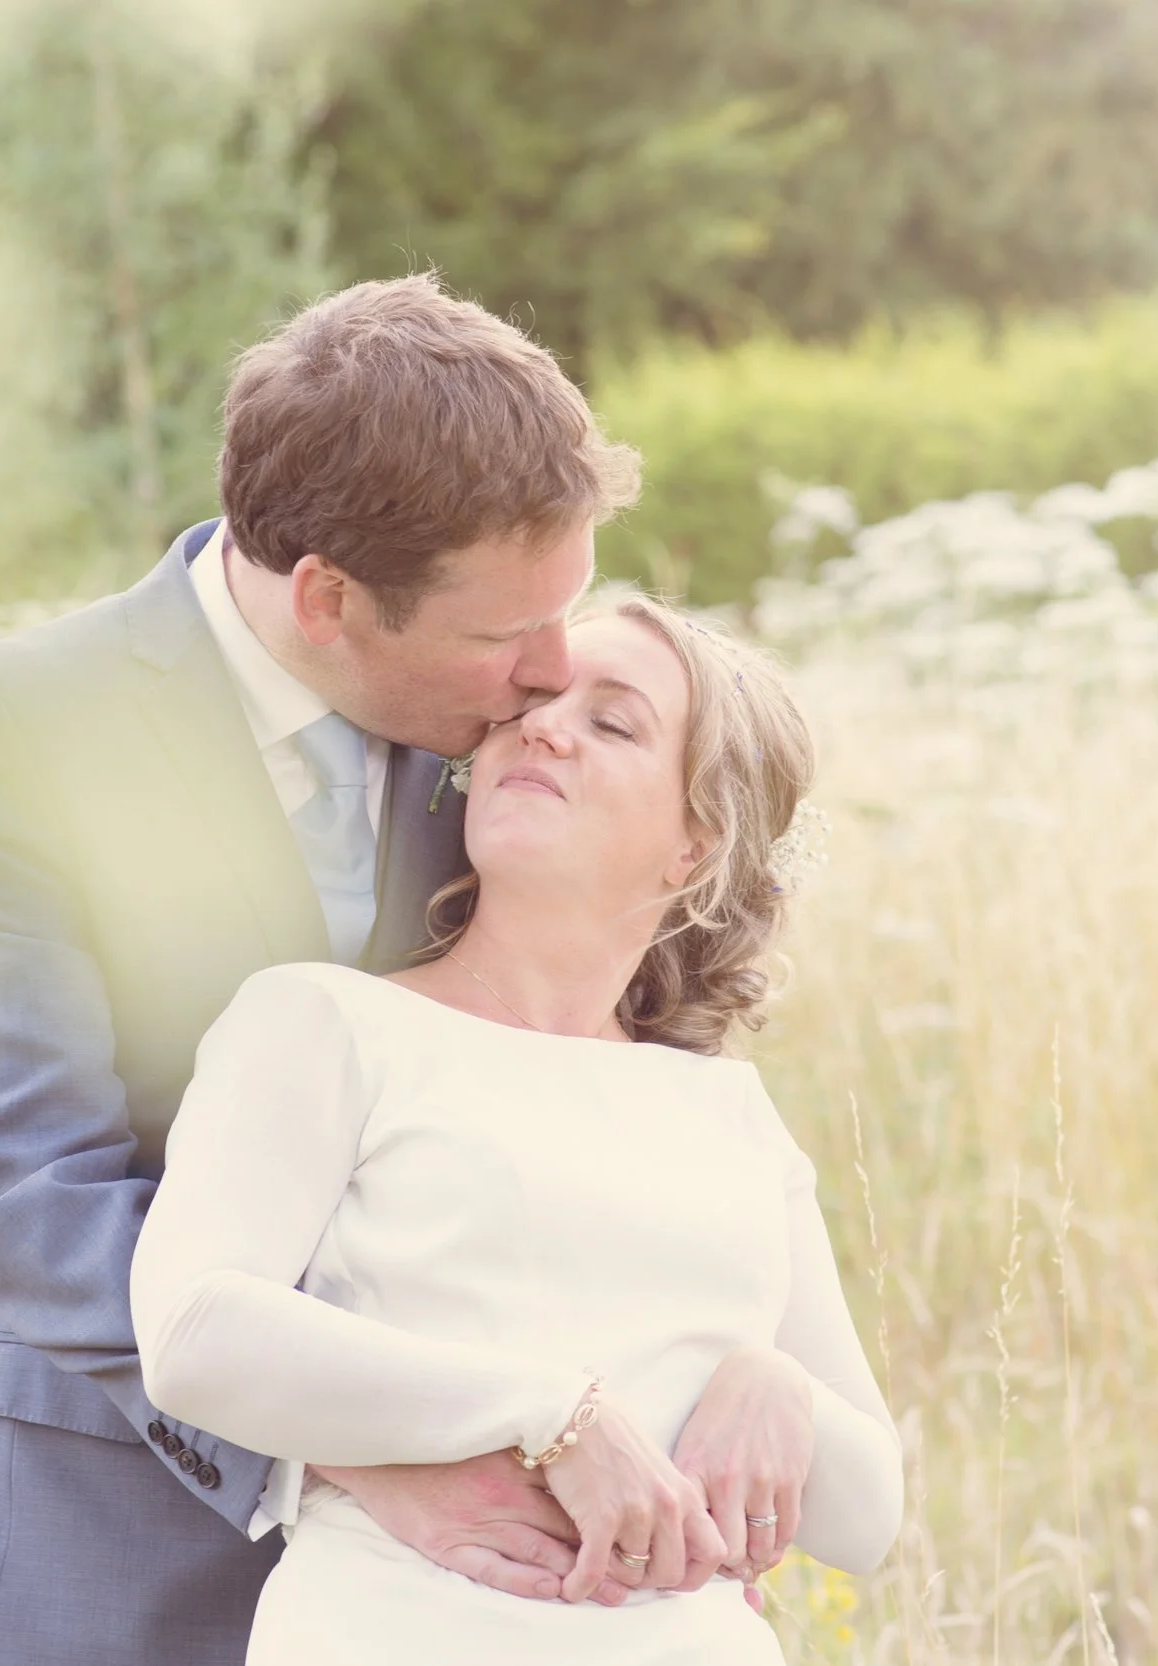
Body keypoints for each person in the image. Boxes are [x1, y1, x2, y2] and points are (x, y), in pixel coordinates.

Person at [0, 276, 842, 1665]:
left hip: (490, 1588)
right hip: (123, 1523)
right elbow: (19, 1179)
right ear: (330, 599)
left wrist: (741, 1370)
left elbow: (588, 1070)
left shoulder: (506, 737)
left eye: (565, 612)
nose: (550, 672)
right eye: (506, 634)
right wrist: (355, 1443)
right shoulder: (15, 733)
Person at [131, 595, 902, 1663]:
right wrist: (553, 1409)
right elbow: (195, 1333)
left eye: (613, 722)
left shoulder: (726, 1112)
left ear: (695, 843)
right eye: (530, 706)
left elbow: (867, 1520)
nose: (541, 727)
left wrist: (779, 1389)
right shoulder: (325, 1022)